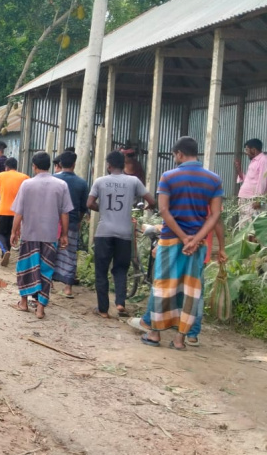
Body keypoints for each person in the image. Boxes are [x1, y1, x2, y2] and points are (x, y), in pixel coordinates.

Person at [141, 137, 223, 350]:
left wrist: (183, 237)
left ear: (179, 154)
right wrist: (195, 239)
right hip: (196, 246)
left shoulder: (168, 177)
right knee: (191, 290)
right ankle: (180, 340)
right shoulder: (214, 179)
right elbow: (214, 216)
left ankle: (154, 334)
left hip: (170, 240)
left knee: (163, 286)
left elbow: (164, 210)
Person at [88, 151, 155, 318]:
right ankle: (120, 303)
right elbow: (152, 201)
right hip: (124, 233)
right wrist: (146, 207)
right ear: (123, 165)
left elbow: (89, 203)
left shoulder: (100, 181)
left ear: (109, 166)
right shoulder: (133, 181)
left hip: (104, 232)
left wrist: (102, 209)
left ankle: (103, 309)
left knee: (101, 270)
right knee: (120, 269)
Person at [11, 152, 72, 319]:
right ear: (49, 166)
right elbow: (65, 213)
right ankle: (40, 309)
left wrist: (14, 231)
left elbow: (19, 212)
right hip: (50, 235)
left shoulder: (27, 185)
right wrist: (64, 234)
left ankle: (23, 303)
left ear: (34, 166)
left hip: (29, 234)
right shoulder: (61, 185)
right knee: (46, 271)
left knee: (25, 268)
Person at [52, 151, 89, 298]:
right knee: (70, 254)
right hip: (72, 222)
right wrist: (78, 221)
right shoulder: (81, 183)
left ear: (59, 164)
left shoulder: (53, 179)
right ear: (74, 164)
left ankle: (50, 283)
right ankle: (68, 288)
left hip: (53, 223)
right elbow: (83, 206)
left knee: (51, 252)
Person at [0, 157, 29, 266]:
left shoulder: (1, 175)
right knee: (10, 233)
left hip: (3, 210)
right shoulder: (25, 177)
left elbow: (0, 192)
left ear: (7, 167)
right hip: (17, 213)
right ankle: (4, 254)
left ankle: (5, 251)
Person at [234, 138, 266, 227]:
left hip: (253, 200)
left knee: (251, 228)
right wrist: (239, 171)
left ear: (254, 149)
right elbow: (250, 180)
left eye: (247, 149)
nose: (246, 152)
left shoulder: (263, 160)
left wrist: (258, 199)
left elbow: (263, 181)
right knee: (243, 226)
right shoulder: (254, 161)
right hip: (245, 199)